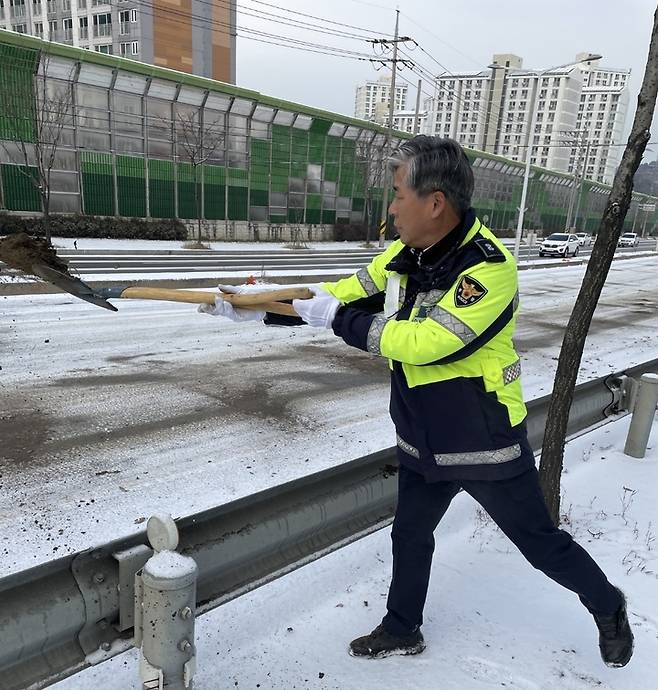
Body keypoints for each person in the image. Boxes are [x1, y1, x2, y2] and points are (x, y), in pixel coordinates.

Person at [199, 136, 633, 668]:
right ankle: (403, 628)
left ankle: (608, 605)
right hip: (421, 432)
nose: (391, 206)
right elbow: (338, 295)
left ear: (434, 203)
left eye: (398, 193)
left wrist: (334, 319)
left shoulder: (488, 270)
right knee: (409, 532)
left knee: (538, 543)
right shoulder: (403, 255)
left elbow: (426, 343)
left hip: (482, 438)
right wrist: (257, 308)